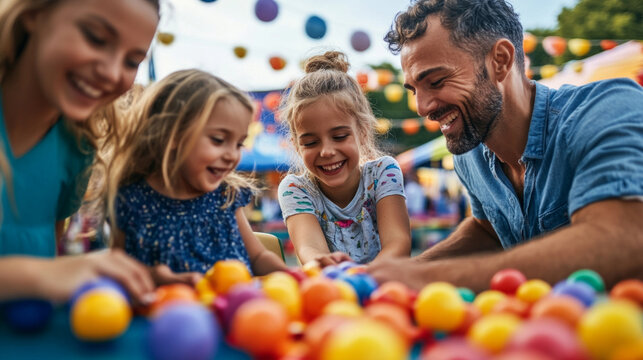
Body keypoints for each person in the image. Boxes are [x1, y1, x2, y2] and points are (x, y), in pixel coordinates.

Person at [368, 0, 643, 292]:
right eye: (414, 90)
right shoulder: (469, 152)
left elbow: (626, 237)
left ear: (500, 60)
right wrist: (400, 273)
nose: (422, 108)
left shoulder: (606, 109)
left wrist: (426, 278)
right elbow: (490, 230)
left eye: (435, 81)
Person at [0, 0, 159, 303]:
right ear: (34, 15)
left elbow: (50, 248)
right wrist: (42, 276)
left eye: (131, 61)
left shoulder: (77, 145)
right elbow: (47, 273)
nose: (112, 73)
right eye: (96, 38)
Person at [107, 69, 289, 281]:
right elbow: (117, 273)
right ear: (172, 134)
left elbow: (258, 257)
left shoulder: (226, 195)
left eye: (239, 144)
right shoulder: (131, 200)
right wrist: (152, 276)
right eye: (219, 140)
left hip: (238, 310)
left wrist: (295, 277)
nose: (232, 155)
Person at [278, 51, 412, 266]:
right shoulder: (296, 189)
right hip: (330, 291)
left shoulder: (383, 172)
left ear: (363, 131)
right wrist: (330, 270)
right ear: (296, 145)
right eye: (311, 143)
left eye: (339, 137)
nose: (326, 151)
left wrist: (363, 278)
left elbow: (398, 244)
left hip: (384, 287)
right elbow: (310, 251)